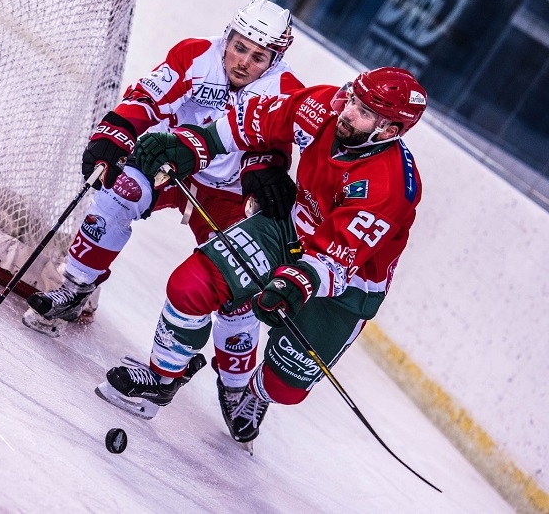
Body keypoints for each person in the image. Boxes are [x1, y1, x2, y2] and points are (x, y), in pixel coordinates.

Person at [96, 67, 428, 444]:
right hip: (289, 230)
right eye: (353, 98)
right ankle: (161, 378)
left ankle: (254, 393)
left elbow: (338, 257)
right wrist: (192, 145)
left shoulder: (390, 187)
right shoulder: (324, 105)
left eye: (364, 112)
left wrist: (295, 282)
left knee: (286, 386)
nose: (348, 111)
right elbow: (251, 121)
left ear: (390, 131)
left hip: (348, 285)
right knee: (191, 286)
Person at [23, 0, 304, 407]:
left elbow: (279, 144)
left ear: (274, 58)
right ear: (229, 37)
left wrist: (268, 165)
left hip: (231, 191)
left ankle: (236, 386)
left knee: (237, 283)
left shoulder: (285, 90)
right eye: (239, 47)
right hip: (173, 165)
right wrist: (113, 133)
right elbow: (145, 99)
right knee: (120, 192)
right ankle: (75, 289)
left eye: (258, 56)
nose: (243, 62)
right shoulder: (195, 55)